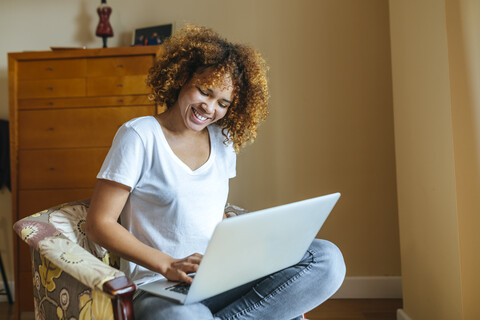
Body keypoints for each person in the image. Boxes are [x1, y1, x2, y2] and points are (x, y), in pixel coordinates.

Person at [85, 25, 345, 320]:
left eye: (223, 103)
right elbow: (99, 223)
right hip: (160, 286)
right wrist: (167, 264)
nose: (209, 108)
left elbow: (211, 213)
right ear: (183, 78)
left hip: (220, 279)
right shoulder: (139, 135)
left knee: (327, 259)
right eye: (204, 92)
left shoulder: (223, 141)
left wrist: (244, 241)